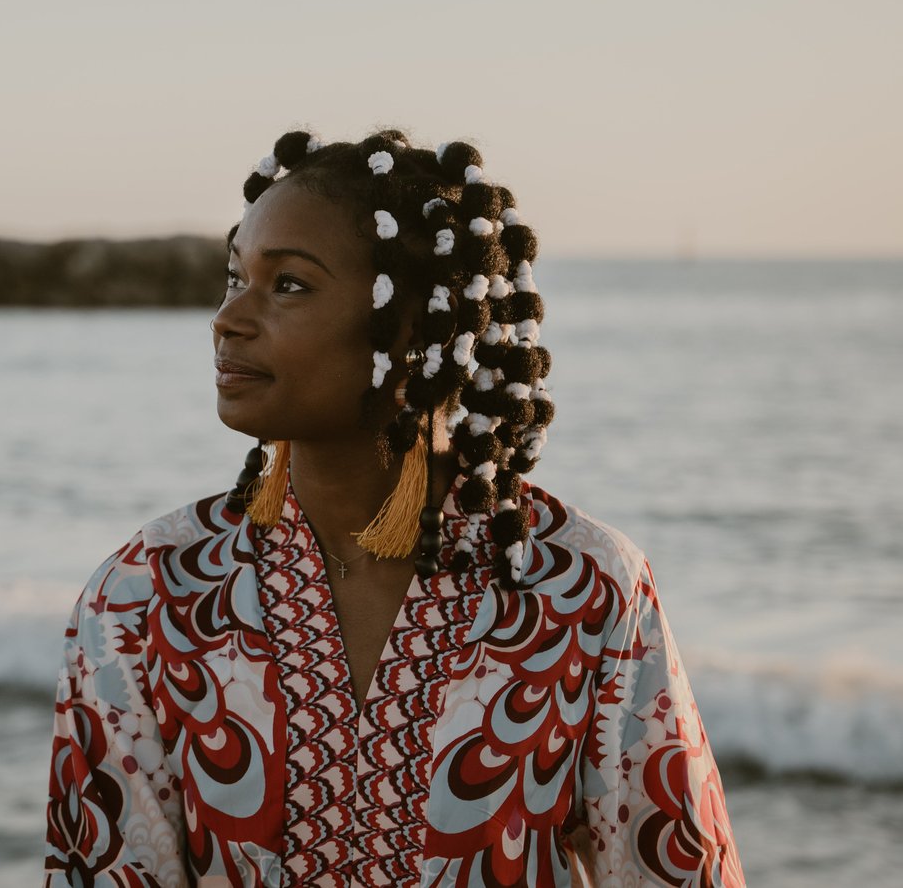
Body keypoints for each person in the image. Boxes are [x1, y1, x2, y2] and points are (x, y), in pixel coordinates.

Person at [42, 128, 744, 887]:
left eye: (289, 286)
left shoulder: (580, 589)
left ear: (415, 330)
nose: (228, 318)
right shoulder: (148, 595)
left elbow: (674, 868)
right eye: (234, 277)